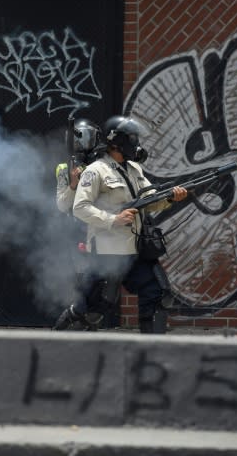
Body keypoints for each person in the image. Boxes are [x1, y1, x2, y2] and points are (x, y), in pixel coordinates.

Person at [71, 115, 187, 334]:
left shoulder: (134, 168)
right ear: (116, 141)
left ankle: (150, 351)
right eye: (132, 138)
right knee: (94, 309)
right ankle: (65, 343)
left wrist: (171, 197)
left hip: (134, 250)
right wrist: (113, 219)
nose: (136, 143)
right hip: (106, 253)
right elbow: (80, 207)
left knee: (158, 295)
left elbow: (151, 200)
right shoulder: (96, 171)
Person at [52, 118, 106, 331]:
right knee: (81, 282)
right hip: (75, 231)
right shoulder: (64, 168)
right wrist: (74, 185)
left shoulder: (103, 166)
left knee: (97, 283)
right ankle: (72, 323)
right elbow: (62, 205)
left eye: (86, 139)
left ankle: (89, 325)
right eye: (79, 140)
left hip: (98, 230)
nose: (82, 145)